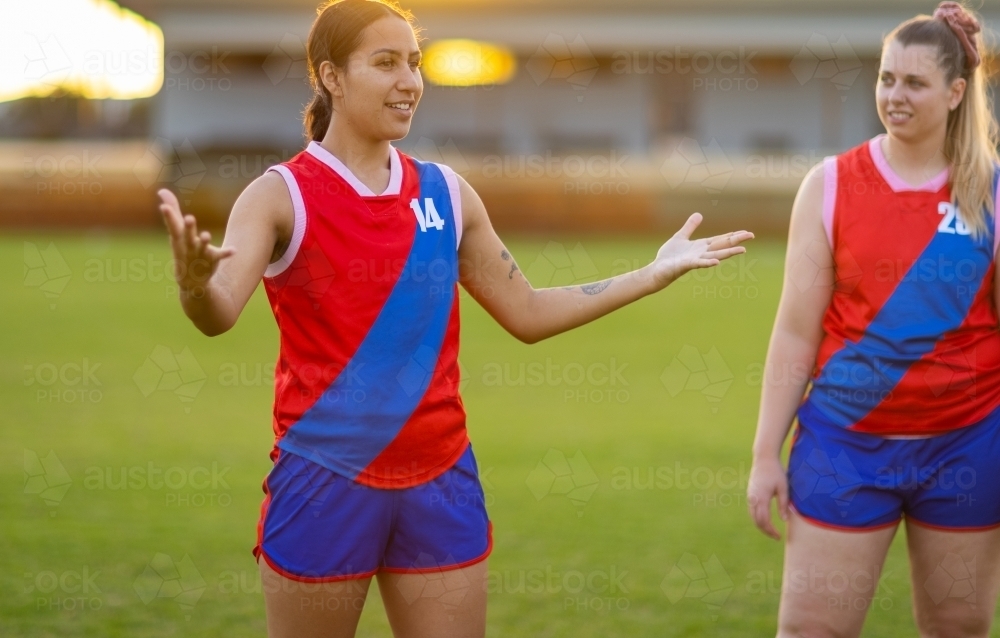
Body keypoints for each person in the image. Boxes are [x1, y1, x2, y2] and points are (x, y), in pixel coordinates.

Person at [158, 1, 752, 636]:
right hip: (325, 483)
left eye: (415, 63)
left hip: (440, 480)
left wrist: (651, 274)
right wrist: (193, 285)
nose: (409, 82)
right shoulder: (281, 195)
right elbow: (218, 310)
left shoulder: (446, 192)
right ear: (330, 76)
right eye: (385, 64)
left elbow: (526, 310)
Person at [747, 3, 1000, 636]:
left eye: (914, 83)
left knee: (959, 628)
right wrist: (764, 454)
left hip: (967, 443)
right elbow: (795, 331)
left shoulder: (991, 190)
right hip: (845, 448)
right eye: (887, 78)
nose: (895, 95)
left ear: (955, 92)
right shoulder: (829, 185)